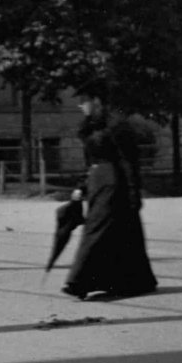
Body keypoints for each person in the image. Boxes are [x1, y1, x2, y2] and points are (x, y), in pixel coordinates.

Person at [62, 116, 157, 302]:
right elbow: (91, 166)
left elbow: (127, 164)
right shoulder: (92, 133)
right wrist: (81, 186)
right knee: (120, 236)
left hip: (112, 188)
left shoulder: (116, 131)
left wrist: (132, 193)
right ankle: (130, 281)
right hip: (101, 187)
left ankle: (78, 283)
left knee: (97, 232)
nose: (81, 107)